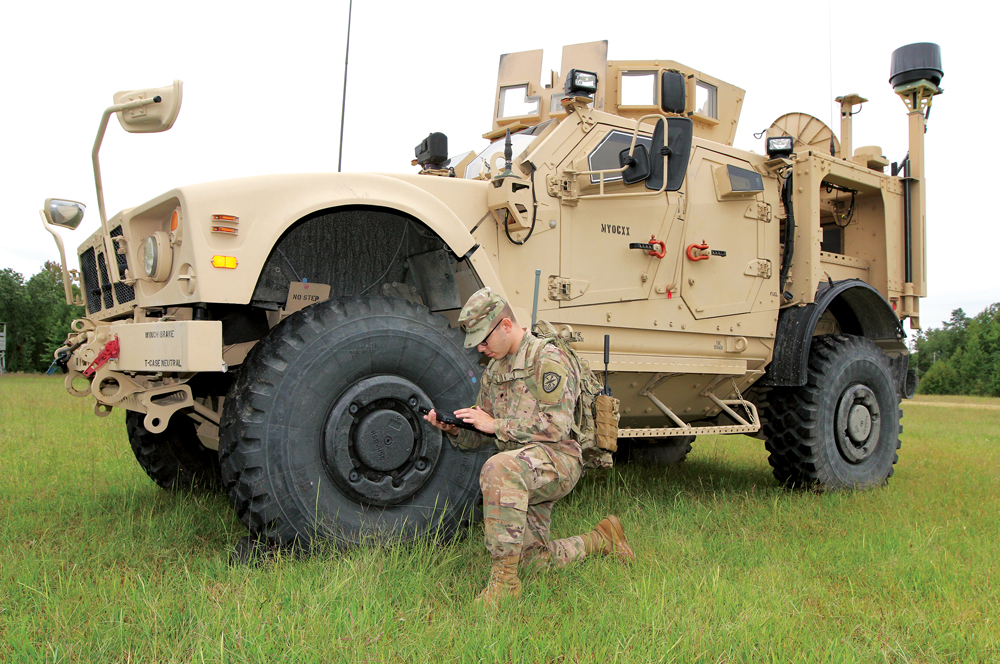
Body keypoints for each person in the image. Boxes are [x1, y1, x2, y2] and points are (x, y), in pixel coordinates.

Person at [424, 286, 634, 605]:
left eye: (484, 339)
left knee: (499, 468)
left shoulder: (547, 358)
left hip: (559, 460)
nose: (481, 348)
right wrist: (454, 428)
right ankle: (602, 538)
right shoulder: (495, 371)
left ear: (506, 325)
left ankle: (503, 585)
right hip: (523, 464)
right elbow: (485, 433)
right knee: (534, 564)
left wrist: (495, 424)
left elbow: (556, 426)